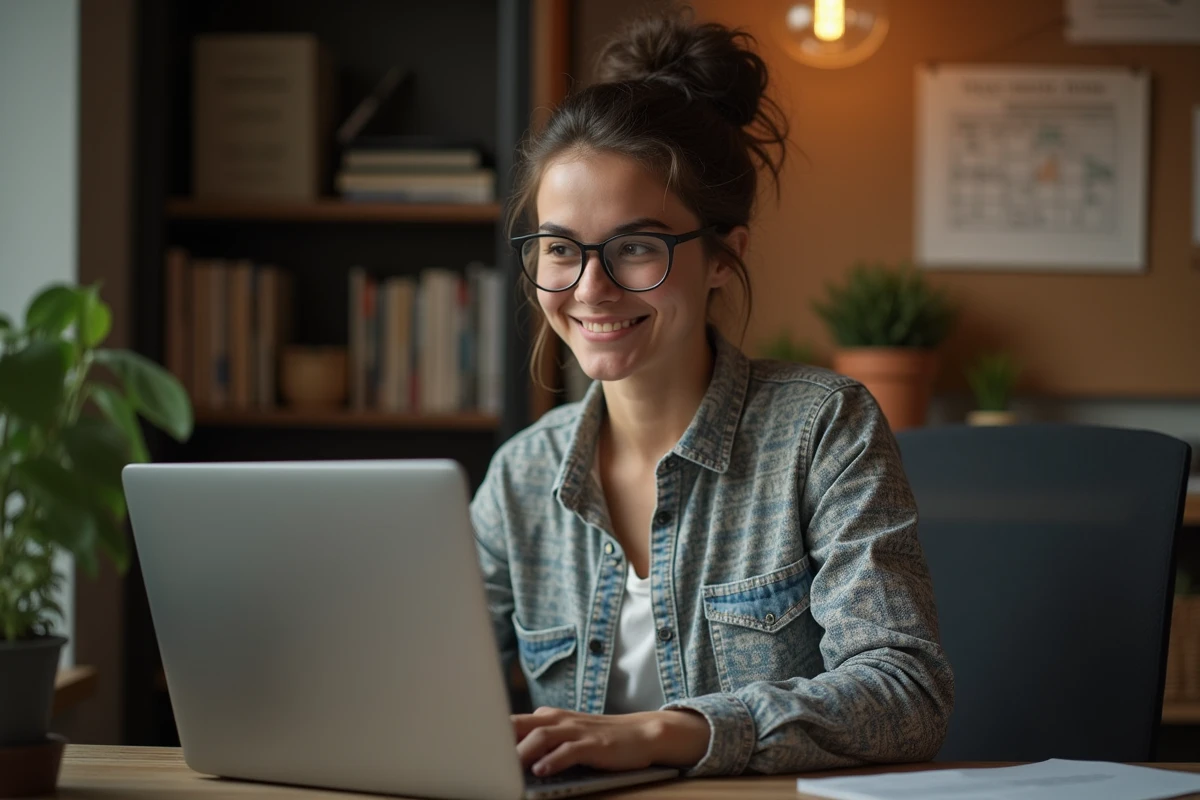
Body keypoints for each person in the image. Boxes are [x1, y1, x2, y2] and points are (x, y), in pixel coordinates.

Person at [469, 7, 954, 780]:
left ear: (725, 255)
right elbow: (435, 694)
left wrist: (671, 732)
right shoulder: (521, 476)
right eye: (560, 249)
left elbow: (904, 694)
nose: (589, 289)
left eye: (636, 248)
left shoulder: (823, 429)